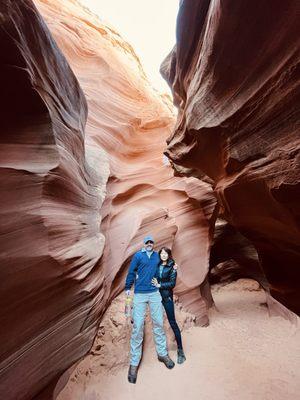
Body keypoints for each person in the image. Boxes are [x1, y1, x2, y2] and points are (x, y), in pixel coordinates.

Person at [125, 236, 175, 384]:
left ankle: (162, 354)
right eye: (147, 242)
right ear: (144, 244)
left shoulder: (157, 256)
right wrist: (128, 288)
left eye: (151, 242)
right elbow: (131, 272)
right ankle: (134, 362)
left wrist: (174, 266)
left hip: (154, 293)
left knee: (158, 322)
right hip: (140, 293)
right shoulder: (138, 256)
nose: (149, 244)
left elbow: (167, 263)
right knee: (138, 326)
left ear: (154, 244)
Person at [151, 247, 186, 364]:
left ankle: (180, 351)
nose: (164, 255)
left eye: (166, 254)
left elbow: (172, 283)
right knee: (157, 323)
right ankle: (162, 351)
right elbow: (153, 277)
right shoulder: (157, 265)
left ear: (169, 255)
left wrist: (159, 285)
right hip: (156, 297)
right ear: (160, 255)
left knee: (172, 323)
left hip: (166, 297)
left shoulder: (172, 266)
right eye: (162, 253)